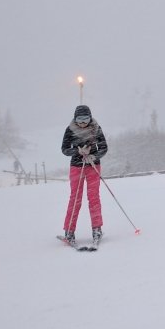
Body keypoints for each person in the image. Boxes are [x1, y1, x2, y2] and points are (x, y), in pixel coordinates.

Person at [60, 105, 108, 246]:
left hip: (93, 166)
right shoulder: (70, 130)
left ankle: (97, 229)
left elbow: (104, 147)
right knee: (75, 199)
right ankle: (69, 231)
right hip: (76, 166)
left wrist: (93, 156)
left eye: (85, 119)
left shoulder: (96, 128)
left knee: (93, 198)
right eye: (79, 119)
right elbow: (64, 149)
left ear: (90, 117)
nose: (82, 122)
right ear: (75, 119)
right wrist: (77, 151)